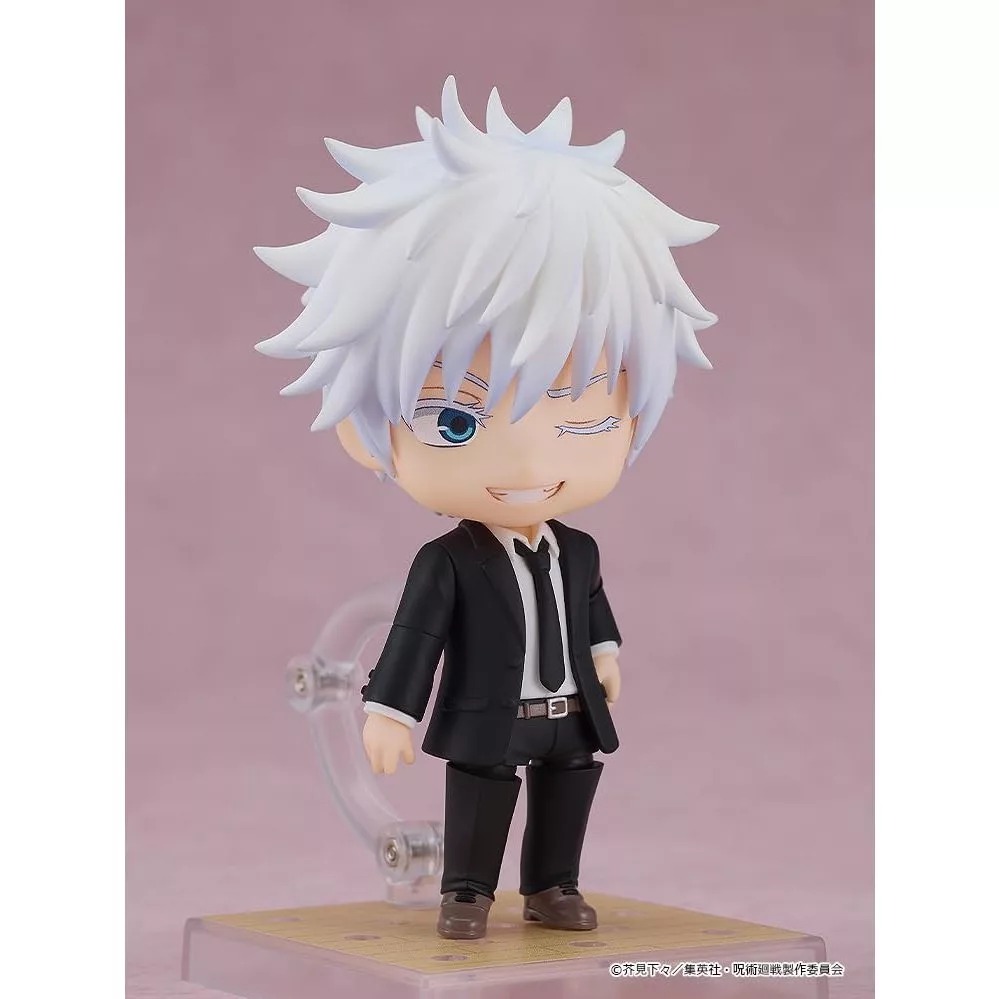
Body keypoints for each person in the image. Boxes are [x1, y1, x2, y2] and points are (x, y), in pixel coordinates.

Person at [256, 77, 717, 939]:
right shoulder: (449, 562)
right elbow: (414, 635)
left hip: (567, 712)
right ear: (365, 430)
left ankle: (552, 885)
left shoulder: (577, 549)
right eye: (458, 421)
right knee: (481, 792)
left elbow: (589, 606)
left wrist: (605, 652)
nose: (531, 464)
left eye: (582, 415)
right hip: (485, 716)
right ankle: (466, 890)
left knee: (570, 785)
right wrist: (389, 710)